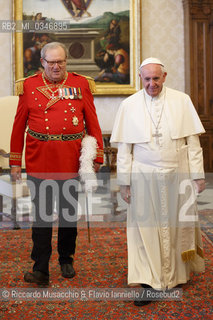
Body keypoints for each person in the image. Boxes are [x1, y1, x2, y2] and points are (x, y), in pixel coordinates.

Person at [110, 57, 205, 306]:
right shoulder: (129, 105)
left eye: (156, 78)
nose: (152, 83)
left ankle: (176, 275)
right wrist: (124, 183)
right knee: (145, 231)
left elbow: (193, 144)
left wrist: (198, 176)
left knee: (176, 227)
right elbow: (124, 150)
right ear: (141, 78)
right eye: (147, 79)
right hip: (143, 175)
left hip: (177, 173)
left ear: (164, 76)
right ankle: (148, 280)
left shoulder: (181, 100)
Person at [10, 42, 104, 285]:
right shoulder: (29, 85)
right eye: (51, 62)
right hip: (39, 156)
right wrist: (14, 161)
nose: (56, 66)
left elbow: (92, 121)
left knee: (68, 212)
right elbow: (19, 124)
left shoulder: (81, 84)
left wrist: (98, 154)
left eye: (60, 62)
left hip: (70, 156)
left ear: (66, 62)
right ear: (42, 62)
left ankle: (66, 258)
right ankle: (40, 268)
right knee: (41, 215)